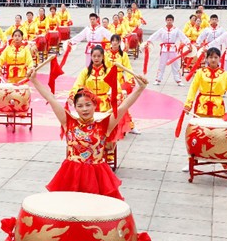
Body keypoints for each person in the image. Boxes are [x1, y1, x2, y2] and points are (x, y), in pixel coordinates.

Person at [27, 57, 148, 202]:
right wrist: (34, 80)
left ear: (95, 105)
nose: (84, 109)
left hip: (96, 176)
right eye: (80, 106)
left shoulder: (104, 124)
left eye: (88, 105)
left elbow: (124, 107)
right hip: (71, 174)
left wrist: (140, 88)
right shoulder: (68, 122)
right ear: (75, 107)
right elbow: (51, 99)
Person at [145, 14, 190, 85]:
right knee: (161, 64)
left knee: (175, 64)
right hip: (164, 49)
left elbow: (183, 37)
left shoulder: (176, 30)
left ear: (173, 21)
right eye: (168, 20)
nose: (169, 21)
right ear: (166, 20)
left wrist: (188, 43)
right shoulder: (162, 30)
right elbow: (155, 35)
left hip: (172, 49)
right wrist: (149, 41)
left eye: (170, 20)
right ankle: (158, 79)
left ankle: (178, 80)